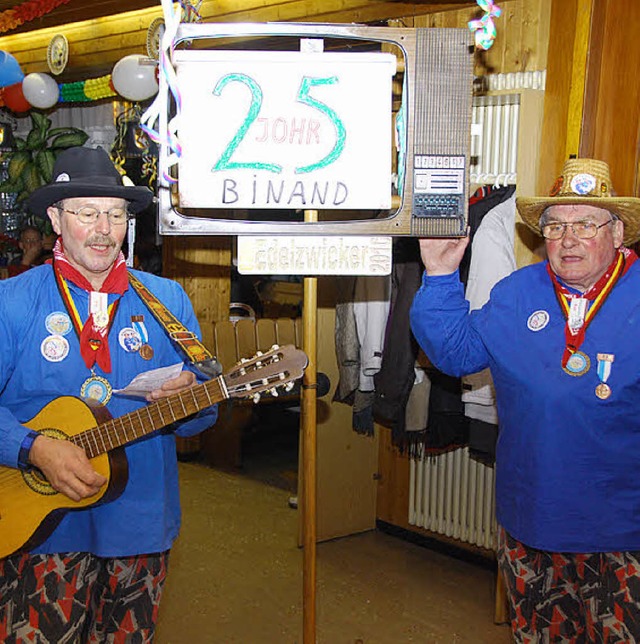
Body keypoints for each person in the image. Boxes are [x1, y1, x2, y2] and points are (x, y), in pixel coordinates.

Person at [409, 158, 640, 642]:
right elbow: (455, 352)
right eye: (555, 225)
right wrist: (440, 274)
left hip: (622, 532)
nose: (569, 238)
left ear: (618, 233)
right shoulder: (517, 293)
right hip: (529, 521)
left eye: (586, 224)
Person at [0, 146, 218, 642]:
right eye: (88, 213)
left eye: (116, 215)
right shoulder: (11, 301)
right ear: (56, 218)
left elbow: (205, 414)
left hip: (139, 520)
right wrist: (33, 447)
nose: (104, 229)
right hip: (40, 526)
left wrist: (194, 397)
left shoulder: (167, 300)